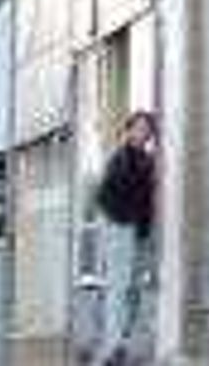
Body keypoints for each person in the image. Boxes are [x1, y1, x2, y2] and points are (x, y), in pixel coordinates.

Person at [88, 111, 158, 366]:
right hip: (120, 227)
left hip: (138, 230)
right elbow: (103, 196)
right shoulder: (120, 158)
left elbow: (148, 199)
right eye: (138, 128)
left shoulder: (147, 160)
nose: (143, 133)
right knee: (119, 285)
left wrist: (144, 228)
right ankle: (113, 345)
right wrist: (121, 221)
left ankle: (121, 340)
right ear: (128, 130)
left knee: (133, 288)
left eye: (147, 129)